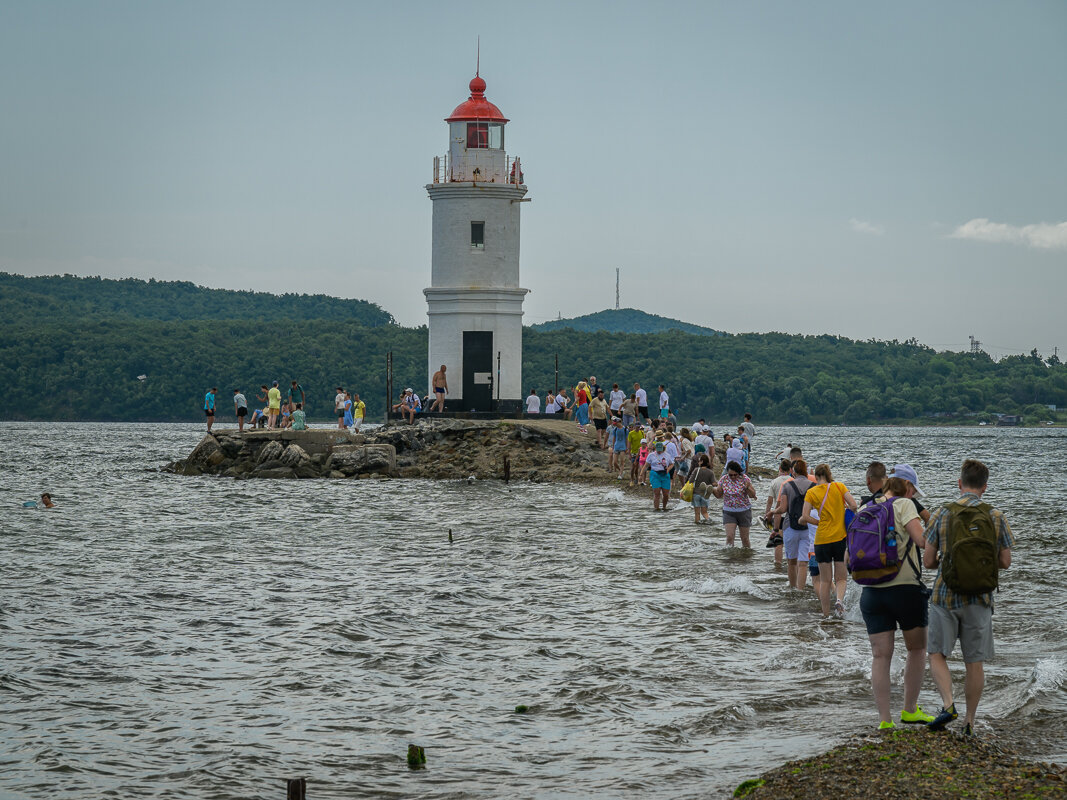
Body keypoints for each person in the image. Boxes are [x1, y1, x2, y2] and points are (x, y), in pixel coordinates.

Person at [924, 459, 1015, 736]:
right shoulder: (995, 516)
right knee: (974, 662)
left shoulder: (942, 512)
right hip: (980, 597)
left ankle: (948, 704)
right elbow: (1006, 561)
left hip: (945, 594)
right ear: (984, 487)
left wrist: (947, 559)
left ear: (959, 483)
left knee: (936, 653)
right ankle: (969, 722)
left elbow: (928, 561)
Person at [857, 468, 936, 730]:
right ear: (906, 486)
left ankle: (884, 721)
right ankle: (910, 711)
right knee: (917, 649)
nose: (914, 495)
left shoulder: (865, 507)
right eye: (913, 490)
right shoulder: (904, 504)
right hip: (905, 590)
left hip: (871, 592)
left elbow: (850, 556)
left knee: (880, 657)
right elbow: (922, 541)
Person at [800, 463, 858, 619]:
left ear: (817, 477)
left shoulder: (811, 492)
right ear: (829, 474)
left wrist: (819, 522)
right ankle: (839, 600)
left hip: (821, 540)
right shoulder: (839, 487)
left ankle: (826, 616)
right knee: (841, 578)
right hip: (839, 538)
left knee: (825, 581)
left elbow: (804, 516)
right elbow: (853, 505)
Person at [773, 458, 816, 590]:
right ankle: (801, 590)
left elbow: (783, 509)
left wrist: (772, 512)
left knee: (791, 561)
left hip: (790, 526)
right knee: (803, 562)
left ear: (793, 471)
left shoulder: (787, 485)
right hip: (807, 527)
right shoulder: (813, 486)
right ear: (806, 470)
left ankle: (792, 588)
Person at [860, 461, 932, 525]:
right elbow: (927, 517)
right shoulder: (906, 501)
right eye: (913, 493)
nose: (911, 496)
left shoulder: (865, 505)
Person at [709, 460, 757, 547]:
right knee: (730, 537)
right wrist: (712, 490)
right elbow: (719, 495)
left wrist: (747, 487)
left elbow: (753, 495)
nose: (733, 477)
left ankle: (746, 558)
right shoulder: (724, 479)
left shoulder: (745, 479)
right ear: (727, 473)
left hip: (744, 511)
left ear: (739, 473)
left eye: (735, 475)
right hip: (729, 511)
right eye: (730, 475)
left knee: (745, 539)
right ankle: (730, 559)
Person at [762, 459, 793, 566]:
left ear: (780, 468)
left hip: (778, 514)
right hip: (791, 515)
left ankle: (778, 564)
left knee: (778, 543)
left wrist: (767, 515)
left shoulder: (774, 482)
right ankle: (792, 565)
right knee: (791, 541)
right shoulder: (793, 480)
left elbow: (770, 500)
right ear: (790, 469)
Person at [640, 439, 673, 511]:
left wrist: (668, 469)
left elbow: (671, 464)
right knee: (657, 492)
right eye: (658, 449)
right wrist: (641, 474)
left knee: (666, 494)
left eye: (660, 449)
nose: (659, 451)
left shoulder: (667, 455)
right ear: (655, 448)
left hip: (665, 474)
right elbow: (645, 466)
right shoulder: (651, 455)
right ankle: (656, 508)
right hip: (655, 474)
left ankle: (664, 507)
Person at [689, 453, 716, 525]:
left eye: (699, 461)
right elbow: (714, 483)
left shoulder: (696, 470)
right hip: (705, 495)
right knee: (704, 512)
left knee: (697, 513)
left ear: (701, 461)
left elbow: (691, 480)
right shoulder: (710, 472)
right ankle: (709, 520)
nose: (698, 462)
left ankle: (698, 526)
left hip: (696, 493)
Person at [627, 421, 644, 486]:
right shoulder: (631, 433)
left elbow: (643, 442)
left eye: (639, 427)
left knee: (638, 467)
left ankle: (637, 478)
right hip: (633, 452)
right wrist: (629, 453)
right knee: (633, 466)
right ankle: (631, 479)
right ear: (634, 427)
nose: (638, 428)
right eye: (637, 427)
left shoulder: (642, 433)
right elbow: (629, 443)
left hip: (640, 452)